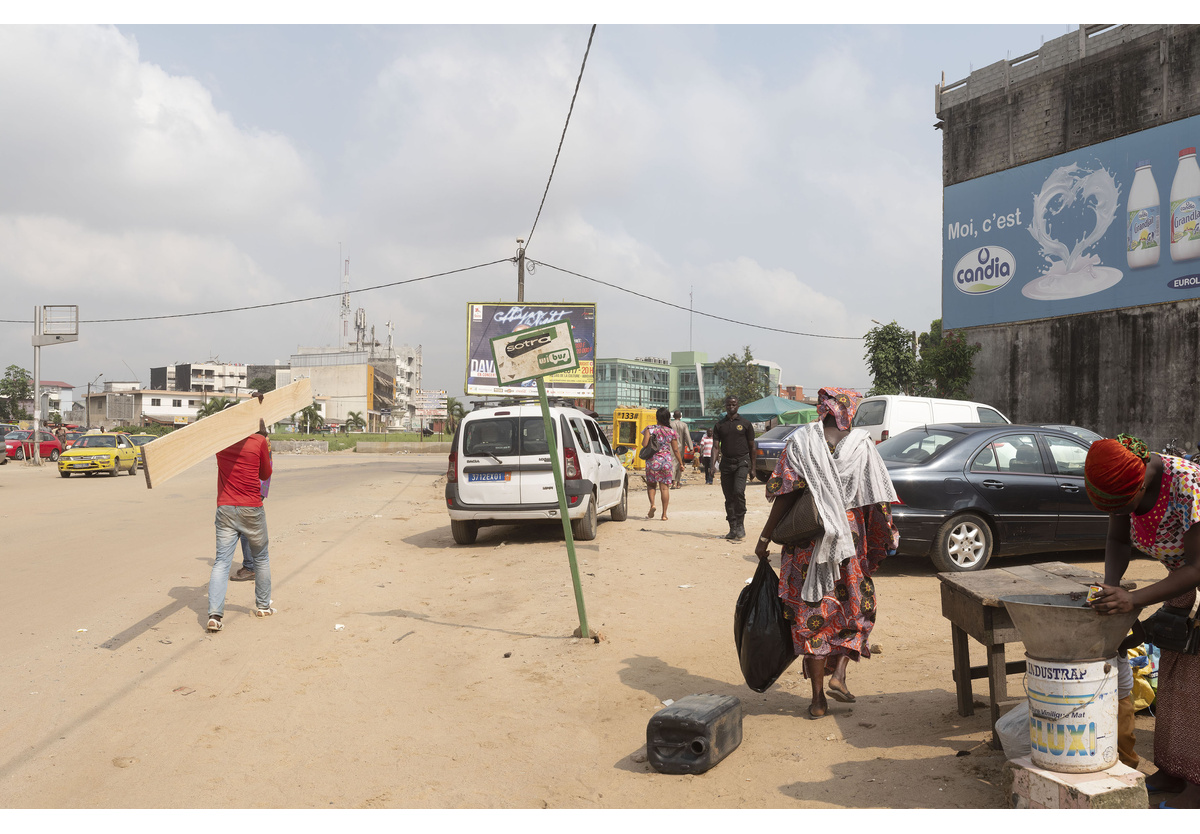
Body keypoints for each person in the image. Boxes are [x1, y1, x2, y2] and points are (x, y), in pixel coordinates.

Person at [753, 388, 898, 719]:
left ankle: (818, 700)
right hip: (849, 542)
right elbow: (878, 499)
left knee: (811, 617)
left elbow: (784, 495)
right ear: (850, 411)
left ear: (823, 409)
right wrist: (884, 537)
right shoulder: (863, 445)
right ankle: (840, 673)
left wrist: (765, 538)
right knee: (858, 608)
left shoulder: (802, 441)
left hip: (808, 543)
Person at [1084, 434, 1200, 808]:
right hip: (1184, 590)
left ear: (1142, 481)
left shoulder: (1188, 486)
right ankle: (1173, 768)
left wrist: (1133, 599)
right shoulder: (1126, 482)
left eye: (1123, 504)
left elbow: (1197, 567)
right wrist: (1111, 587)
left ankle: (1198, 786)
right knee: (1173, 685)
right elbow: (1119, 542)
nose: (1121, 511)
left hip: (1194, 580)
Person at [207, 415, 275, 632]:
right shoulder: (258, 441)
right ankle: (263, 607)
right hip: (252, 508)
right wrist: (263, 438)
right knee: (261, 558)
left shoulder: (221, 442)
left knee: (221, 562)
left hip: (226, 507)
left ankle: (215, 616)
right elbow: (265, 474)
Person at [710, 395, 756, 539]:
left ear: (738, 406)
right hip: (726, 464)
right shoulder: (719, 425)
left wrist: (753, 467)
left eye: (733, 404)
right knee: (729, 497)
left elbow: (752, 447)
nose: (731, 407)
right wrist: (712, 465)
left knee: (738, 491)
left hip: (742, 463)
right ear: (725, 406)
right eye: (728, 405)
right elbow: (715, 447)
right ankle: (732, 527)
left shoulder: (746, 424)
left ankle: (741, 524)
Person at [641, 406, 682, 521]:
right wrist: (681, 463)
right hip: (666, 462)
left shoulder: (650, 429)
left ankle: (652, 505)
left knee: (651, 485)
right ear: (668, 418)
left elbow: (644, 445)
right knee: (664, 489)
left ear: (657, 417)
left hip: (652, 461)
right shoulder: (671, 432)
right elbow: (675, 450)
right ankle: (664, 515)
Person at [670, 410, 693, 488]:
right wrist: (691, 447)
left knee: (673, 463)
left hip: (671, 446)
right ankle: (678, 483)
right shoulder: (684, 425)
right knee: (680, 463)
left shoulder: (670, 424)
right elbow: (687, 436)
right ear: (680, 417)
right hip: (681, 447)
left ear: (673, 417)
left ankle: (673, 482)